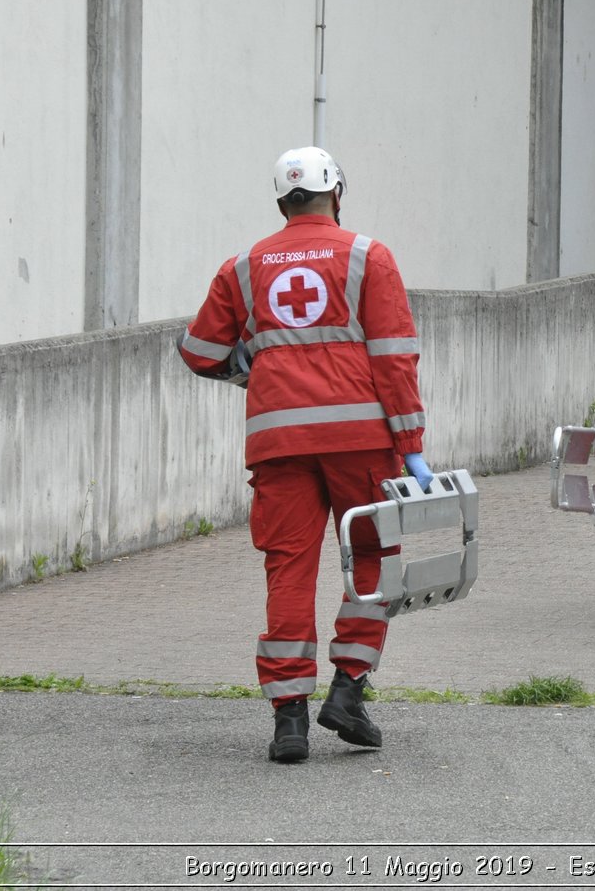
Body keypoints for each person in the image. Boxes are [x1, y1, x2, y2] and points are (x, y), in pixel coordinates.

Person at [179, 146, 432, 764]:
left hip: (278, 442)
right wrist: (413, 447)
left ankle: (288, 721)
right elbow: (393, 356)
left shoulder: (243, 266)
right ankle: (348, 689)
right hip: (359, 440)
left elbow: (197, 349)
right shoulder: (369, 256)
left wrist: (247, 366)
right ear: (336, 193)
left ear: (279, 201)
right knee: (374, 557)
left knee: (288, 569)